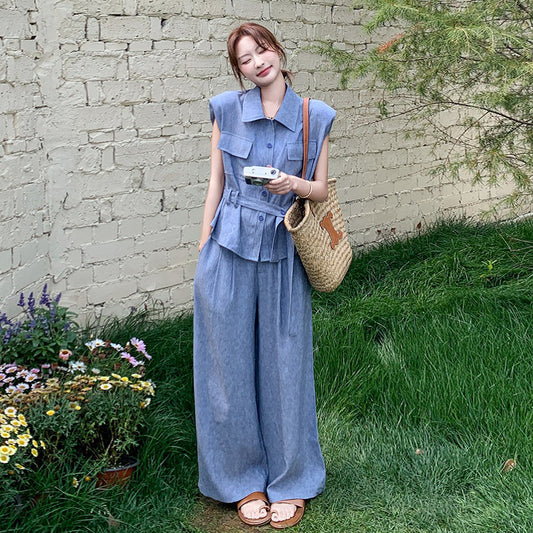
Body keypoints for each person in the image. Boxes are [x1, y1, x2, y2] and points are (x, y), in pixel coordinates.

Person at [193, 22, 336, 529]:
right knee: (226, 370)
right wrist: (205, 244)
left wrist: (293, 183)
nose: (258, 61)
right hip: (226, 250)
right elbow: (215, 182)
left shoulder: (315, 115)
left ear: (277, 49)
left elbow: (321, 190)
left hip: (281, 251)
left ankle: (291, 481)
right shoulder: (225, 109)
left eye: (262, 49)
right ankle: (242, 482)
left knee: (285, 368)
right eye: (245, 58)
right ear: (239, 70)